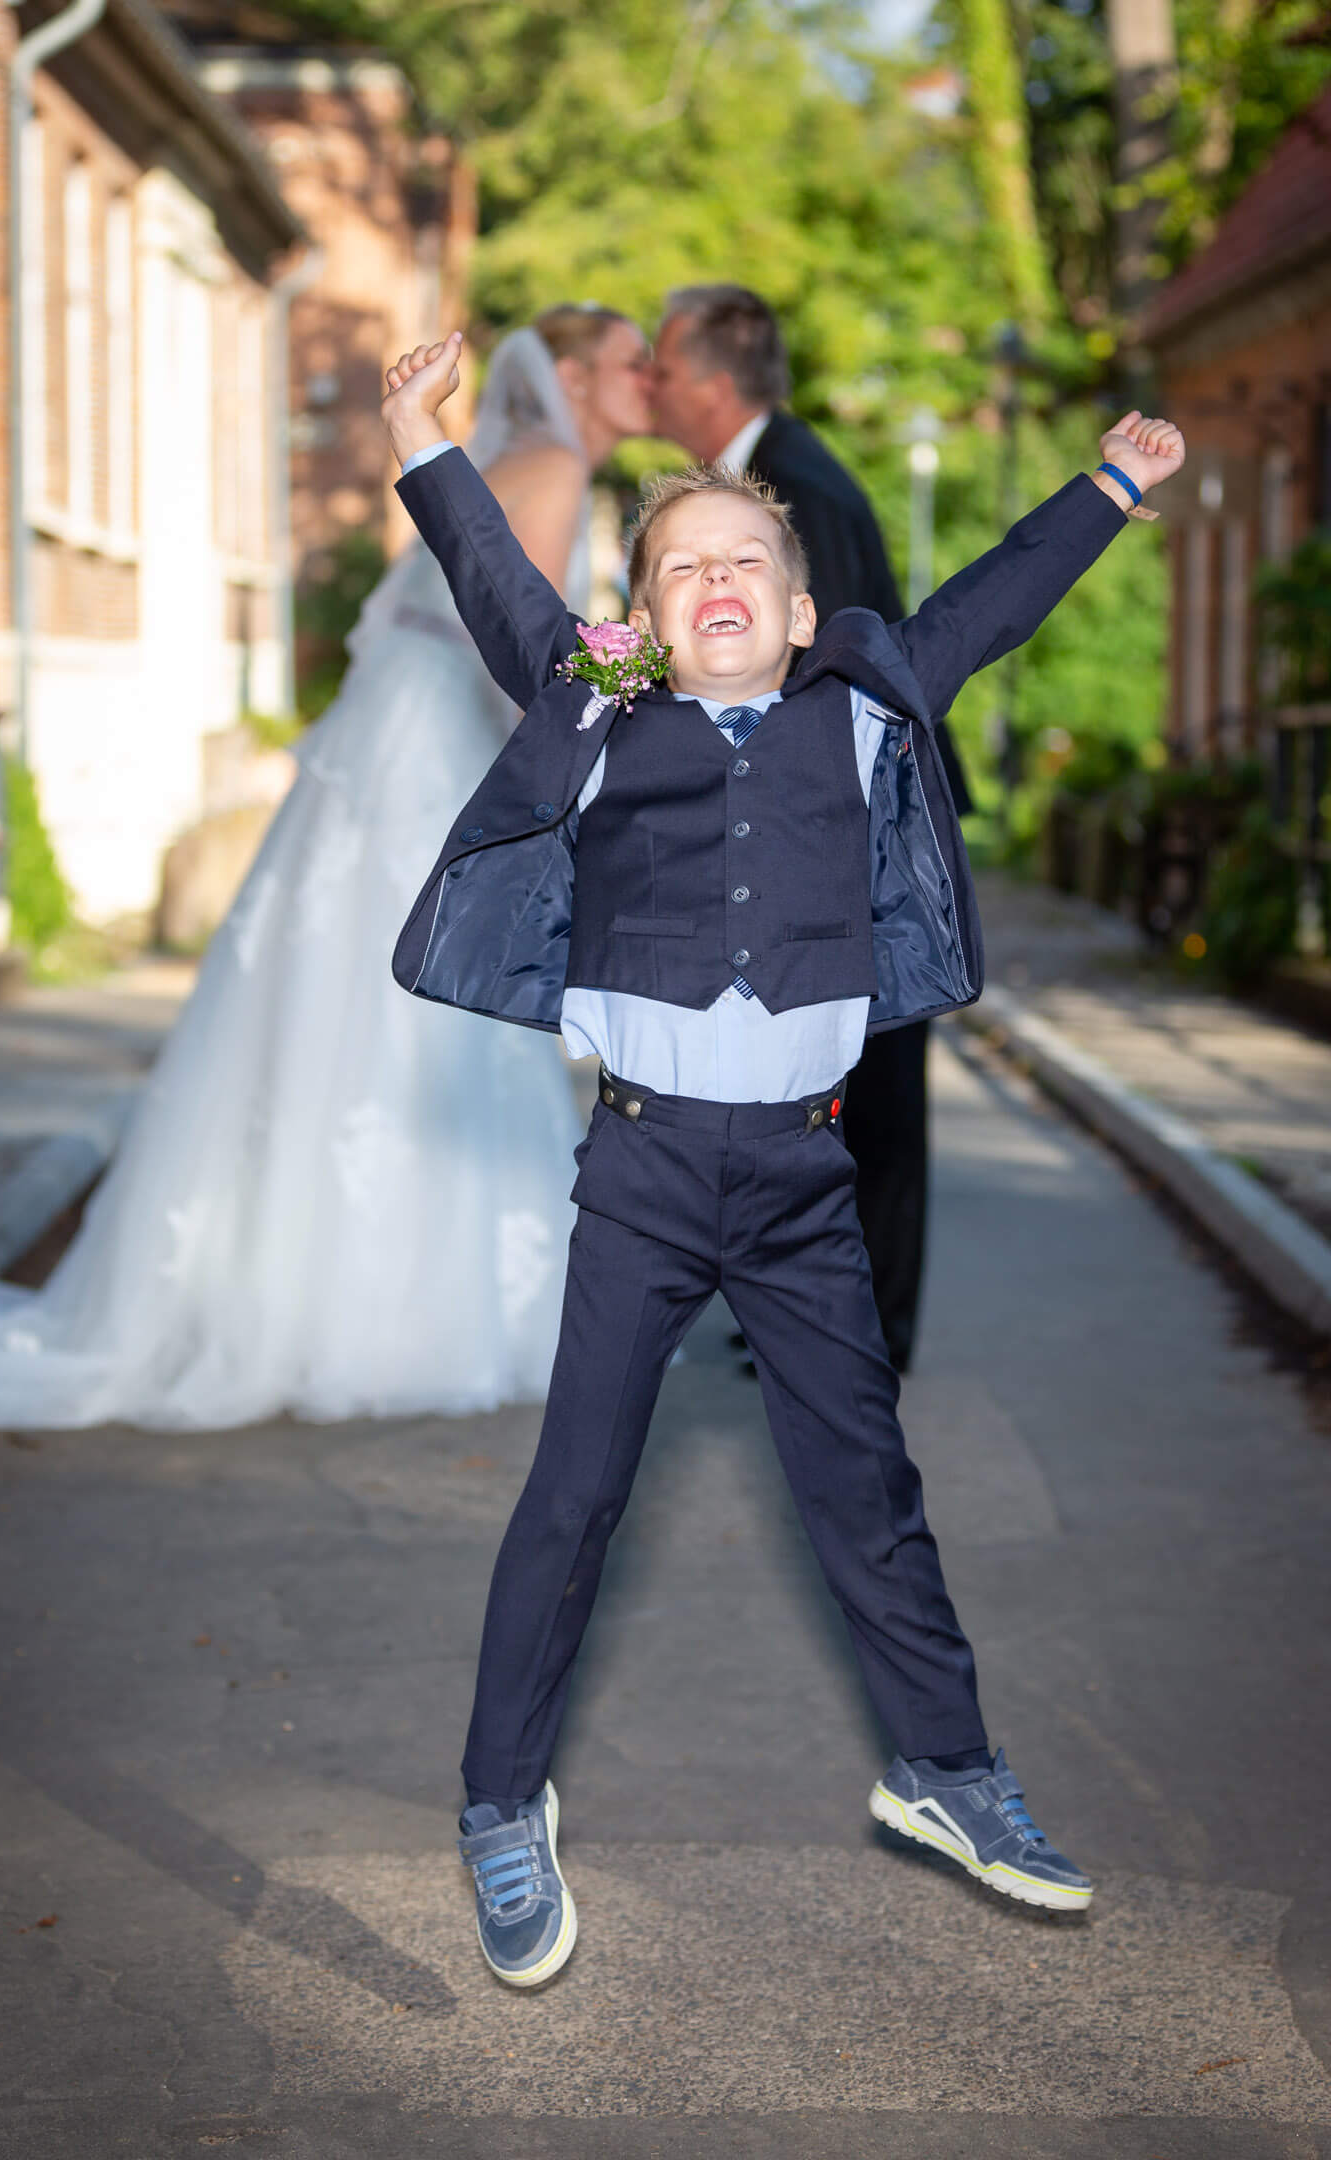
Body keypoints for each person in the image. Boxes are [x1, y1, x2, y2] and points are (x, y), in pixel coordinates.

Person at [381, 328, 1184, 1987]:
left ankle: (946, 1769)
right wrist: (418, 436)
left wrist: (1109, 486)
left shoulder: (869, 703)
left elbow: (993, 599)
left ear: (804, 611)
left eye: (748, 560)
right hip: (646, 1175)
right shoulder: (600, 707)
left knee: (866, 1489)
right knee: (575, 1491)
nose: (720, 582)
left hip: (806, 1184)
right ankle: (499, 1801)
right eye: (683, 568)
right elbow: (495, 583)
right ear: (643, 620)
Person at [0, 308, 653, 1433]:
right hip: (437, 747)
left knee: (338, 995)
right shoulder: (551, 464)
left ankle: (288, 1291)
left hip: (396, 733)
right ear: (577, 375)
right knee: (431, 996)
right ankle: (396, 1308)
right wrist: (581, 773)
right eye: (636, 362)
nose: (652, 380)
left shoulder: (519, 458)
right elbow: (516, 645)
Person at [652, 283, 968, 1370]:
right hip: (825, 829)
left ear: (709, 381)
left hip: (864, 836)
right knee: (816, 1085)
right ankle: (810, 1317)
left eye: (662, 367)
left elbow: (837, 675)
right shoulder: (769, 473)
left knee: (871, 1099)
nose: (650, 387)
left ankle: (863, 1337)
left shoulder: (799, 489)